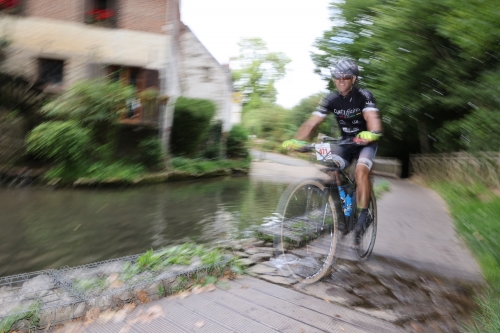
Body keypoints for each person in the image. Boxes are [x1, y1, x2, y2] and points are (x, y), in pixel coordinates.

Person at [283, 59, 382, 247]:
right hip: (346, 142)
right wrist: (298, 141)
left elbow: (372, 118)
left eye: (345, 77)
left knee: (361, 171)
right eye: (337, 77)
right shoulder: (331, 99)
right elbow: (313, 122)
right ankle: (343, 217)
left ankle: (362, 216)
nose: (341, 80)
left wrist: (372, 132)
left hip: (366, 142)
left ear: (353, 78)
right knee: (332, 167)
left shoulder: (364, 96)